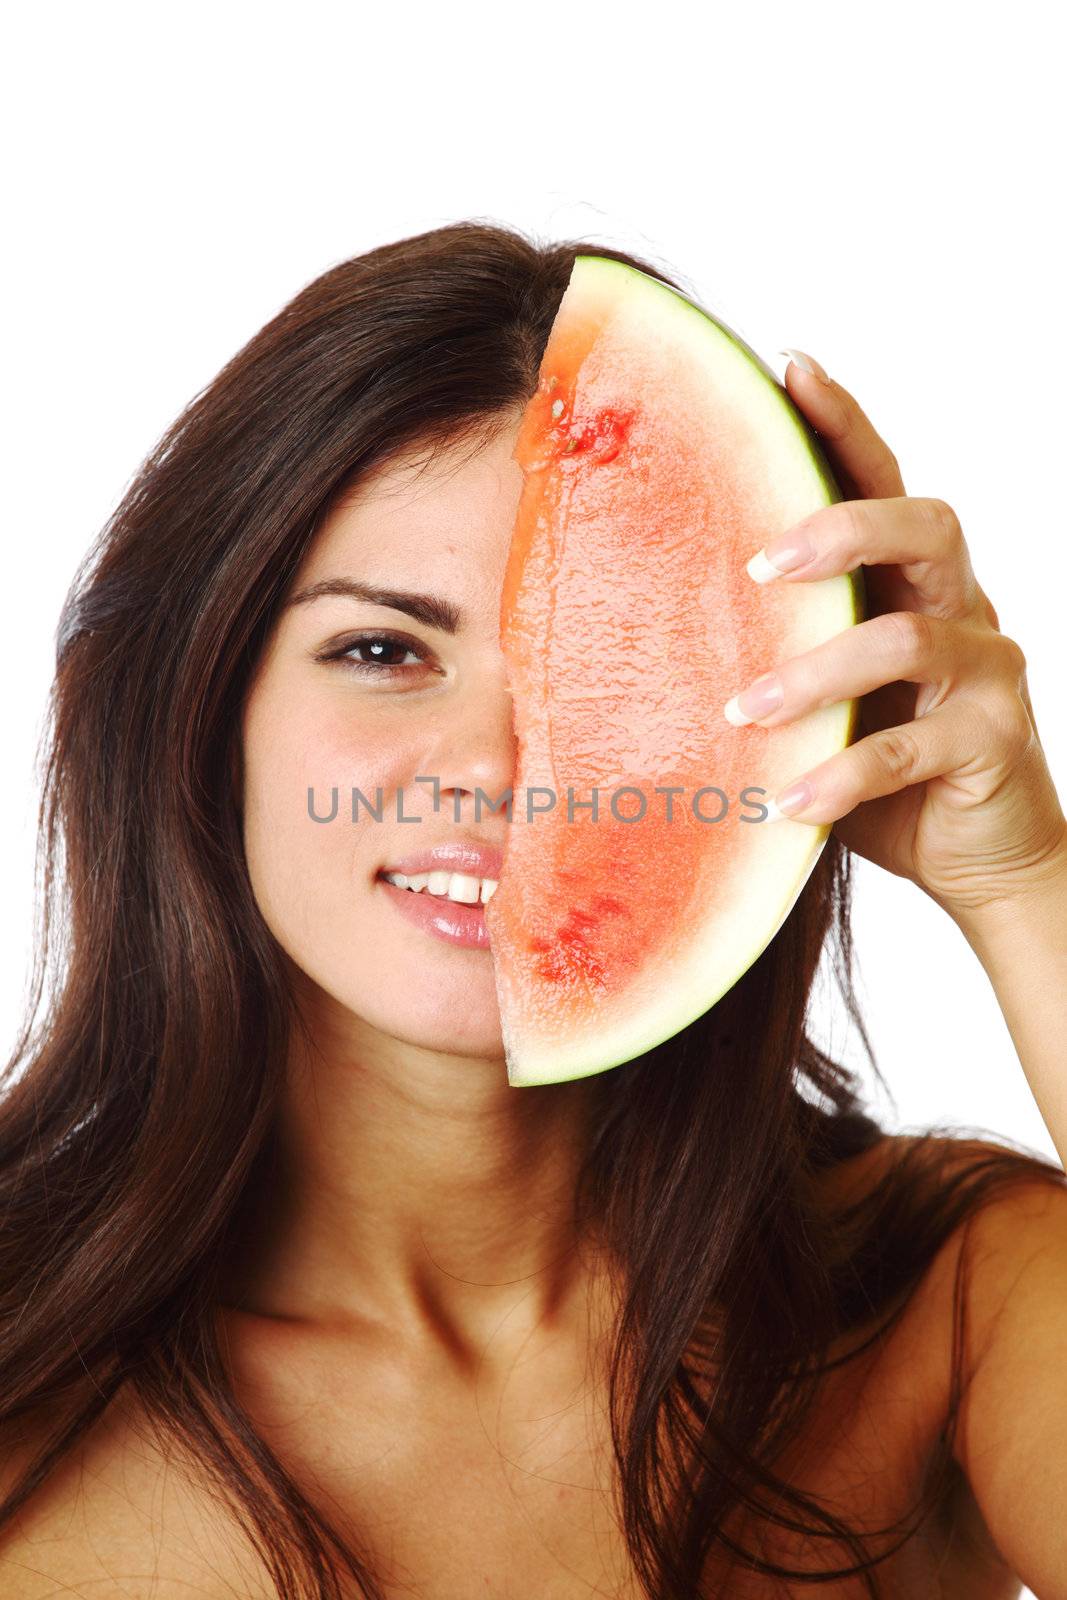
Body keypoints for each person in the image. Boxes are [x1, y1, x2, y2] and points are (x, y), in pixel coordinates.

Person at [0, 220, 1065, 1600]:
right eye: (384, 650)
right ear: (207, 714)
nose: (502, 766)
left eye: (617, 664)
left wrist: (1024, 885)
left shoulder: (951, 1299)